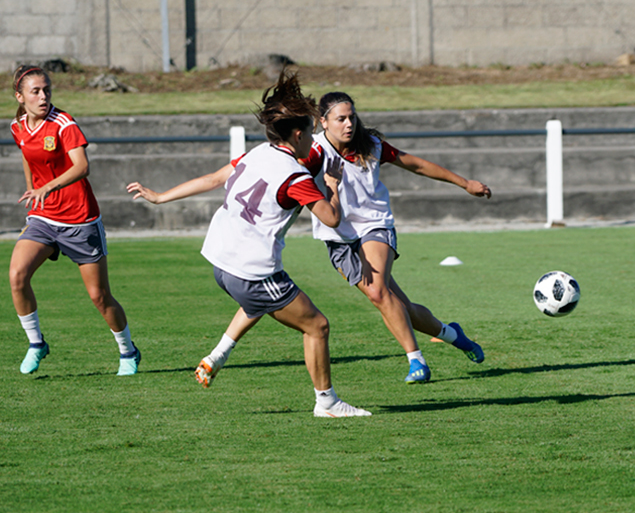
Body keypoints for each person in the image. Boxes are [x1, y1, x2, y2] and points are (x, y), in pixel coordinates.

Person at [126, 70, 370, 418]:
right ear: (298, 135)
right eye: (310, 133)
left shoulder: (258, 153)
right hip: (252, 270)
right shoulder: (296, 178)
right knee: (317, 325)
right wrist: (332, 184)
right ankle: (327, 403)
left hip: (221, 260)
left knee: (263, 302)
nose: (314, 139)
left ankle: (218, 355)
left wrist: (161, 197)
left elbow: (213, 178)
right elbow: (330, 218)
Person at [301, 92, 492, 383]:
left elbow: (416, 165)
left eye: (352, 117)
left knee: (377, 292)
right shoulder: (314, 152)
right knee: (403, 309)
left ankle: (417, 362)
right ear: (323, 122)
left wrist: (465, 183)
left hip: (375, 227)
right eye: (341, 119)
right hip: (338, 239)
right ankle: (454, 335)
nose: (349, 124)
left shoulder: (371, 145)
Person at [8, 65, 140, 376]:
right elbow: (27, 156)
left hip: (80, 219)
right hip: (43, 218)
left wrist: (47, 187)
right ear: (20, 97)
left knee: (99, 296)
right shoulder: (18, 126)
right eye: (36, 91)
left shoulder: (63, 124)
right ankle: (36, 343)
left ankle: (128, 351)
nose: (43, 96)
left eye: (47, 90)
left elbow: (82, 167)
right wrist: (34, 195)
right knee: (17, 276)